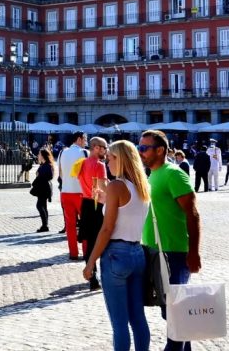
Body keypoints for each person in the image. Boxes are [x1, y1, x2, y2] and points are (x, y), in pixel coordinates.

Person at [84, 140, 151, 351]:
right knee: (137, 317)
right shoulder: (142, 185)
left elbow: (106, 229)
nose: (107, 161)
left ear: (120, 160)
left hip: (116, 255)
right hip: (137, 252)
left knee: (119, 322)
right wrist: (106, 201)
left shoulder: (116, 185)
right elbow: (127, 211)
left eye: (110, 157)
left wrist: (90, 262)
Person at [138, 130, 201, 351]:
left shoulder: (174, 174)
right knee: (173, 313)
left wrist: (193, 252)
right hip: (155, 252)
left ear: (160, 150)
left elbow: (192, 214)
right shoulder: (152, 174)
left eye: (145, 148)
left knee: (175, 313)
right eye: (140, 147)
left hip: (173, 252)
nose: (141, 152)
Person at [78, 137, 108, 291]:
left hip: (85, 203)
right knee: (102, 239)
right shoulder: (100, 165)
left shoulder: (81, 163)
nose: (105, 150)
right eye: (104, 147)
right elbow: (102, 188)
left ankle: (92, 276)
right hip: (97, 204)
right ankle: (104, 275)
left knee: (89, 242)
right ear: (96, 148)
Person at [57, 132, 88, 259]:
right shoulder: (84, 153)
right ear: (79, 139)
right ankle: (86, 251)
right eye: (85, 139)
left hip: (65, 192)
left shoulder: (62, 152)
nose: (86, 142)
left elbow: (60, 174)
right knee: (85, 224)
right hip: (81, 193)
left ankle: (73, 252)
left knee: (70, 224)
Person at [31, 149, 54, 232]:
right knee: (43, 206)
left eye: (39, 154)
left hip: (44, 188)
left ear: (43, 155)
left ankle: (45, 225)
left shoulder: (48, 165)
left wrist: (40, 176)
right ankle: (45, 225)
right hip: (41, 187)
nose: (38, 155)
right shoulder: (43, 164)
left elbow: (50, 176)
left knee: (39, 206)